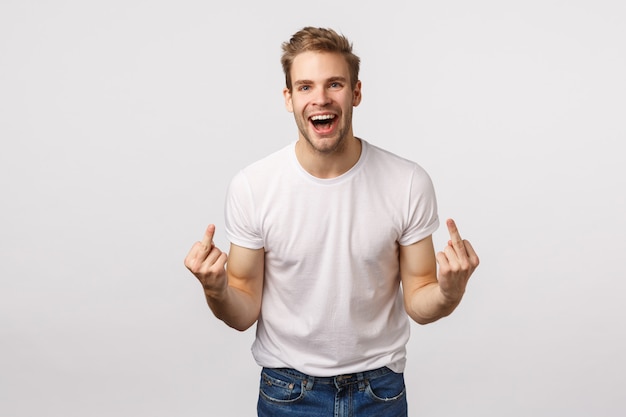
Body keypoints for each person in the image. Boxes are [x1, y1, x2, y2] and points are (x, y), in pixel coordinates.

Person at [184, 26, 479, 417]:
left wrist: (449, 292)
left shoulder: (407, 182)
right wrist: (216, 289)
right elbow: (242, 311)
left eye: (334, 84)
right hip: (288, 391)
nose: (320, 98)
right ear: (288, 98)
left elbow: (421, 298)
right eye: (305, 86)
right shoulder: (253, 186)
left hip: (380, 391)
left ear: (356, 92)